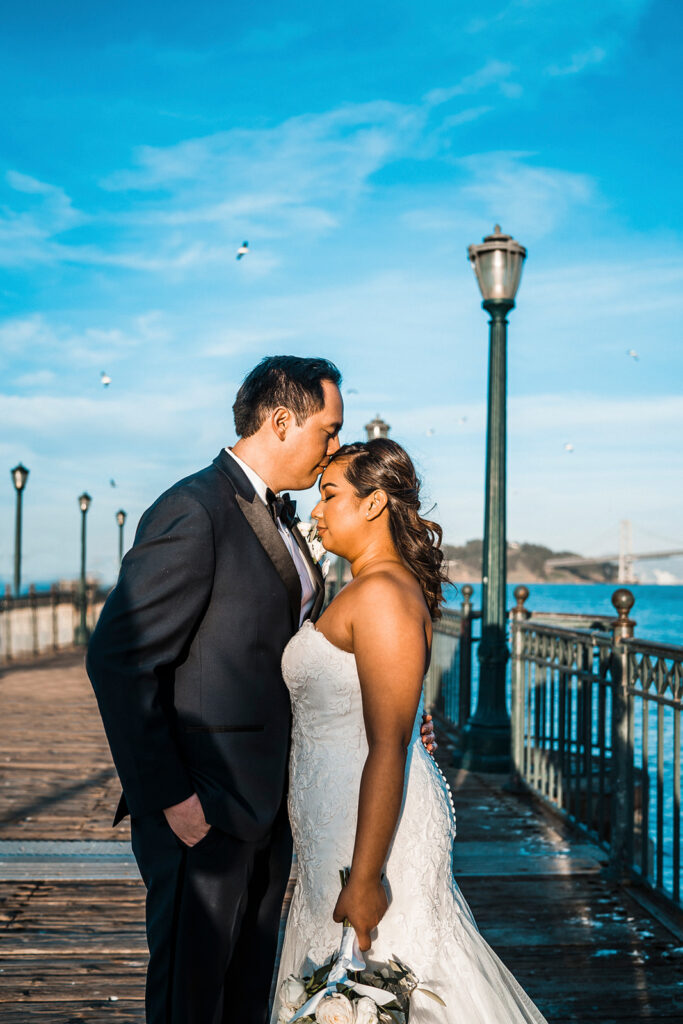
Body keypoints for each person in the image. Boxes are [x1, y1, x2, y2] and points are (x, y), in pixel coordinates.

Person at [87, 356, 436, 1024]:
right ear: (281, 420)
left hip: (271, 808)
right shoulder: (194, 509)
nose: (335, 445)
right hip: (204, 810)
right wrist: (172, 799)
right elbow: (118, 658)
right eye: (327, 429)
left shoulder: (281, 522)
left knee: (247, 996)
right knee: (190, 1000)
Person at [273, 438, 549, 1024]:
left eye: (329, 495)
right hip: (337, 824)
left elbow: (387, 745)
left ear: (374, 505)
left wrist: (368, 876)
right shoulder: (364, 588)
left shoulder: (380, 594)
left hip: (370, 836)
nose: (316, 512)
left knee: (392, 982)